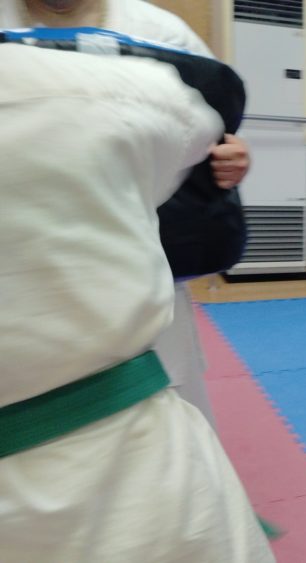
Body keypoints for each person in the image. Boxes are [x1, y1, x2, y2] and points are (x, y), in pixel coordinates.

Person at [0, 42, 274, 563]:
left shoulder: (149, 38)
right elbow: (200, 113)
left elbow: (213, 120)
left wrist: (230, 153)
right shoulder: (93, 83)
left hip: (127, 362)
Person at [2, 0, 252, 427]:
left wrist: (234, 158)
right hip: (22, 281)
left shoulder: (161, 32)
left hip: (140, 272)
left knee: (166, 420)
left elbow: (215, 129)